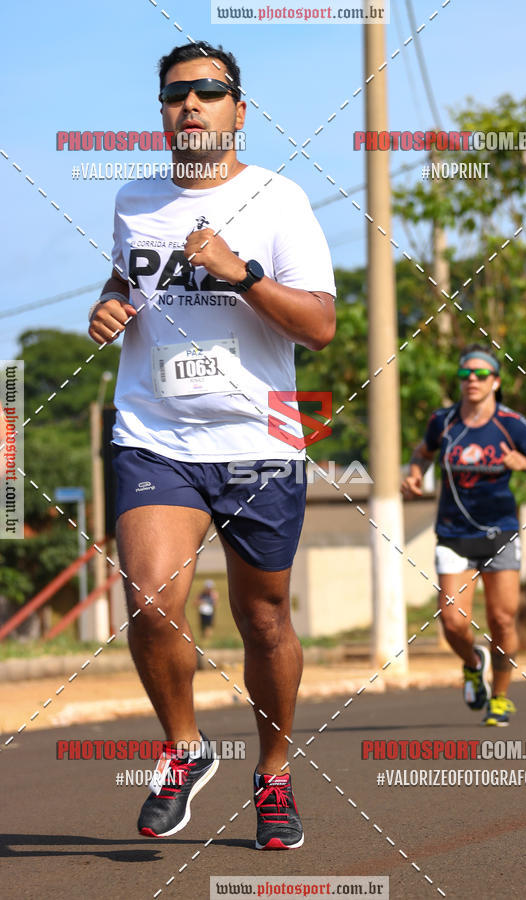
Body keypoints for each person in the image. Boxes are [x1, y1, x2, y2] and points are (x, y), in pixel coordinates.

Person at [88, 40, 336, 848]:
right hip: (153, 433)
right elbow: (126, 278)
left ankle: (274, 774)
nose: (189, 103)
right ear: (163, 113)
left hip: (259, 438)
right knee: (151, 598)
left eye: (207, 90)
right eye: (175, 94)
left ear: (239, 109)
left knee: (263, 619)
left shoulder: (280, 199)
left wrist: (241, 273)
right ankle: (185, 746)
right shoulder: (133, 199)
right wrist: (109, 304)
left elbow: (320, 326)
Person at [401, 344, 526, 726]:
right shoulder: (443, 421)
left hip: (499, 531)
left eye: (481, 373)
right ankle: (474, 663)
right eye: (465, 373)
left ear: (495, 382)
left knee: (502, 620)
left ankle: (500, 698)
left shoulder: (511, 424)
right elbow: (423, 452)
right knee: (453, 622)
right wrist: (415, 473)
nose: (472, 379)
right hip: (453, 533)